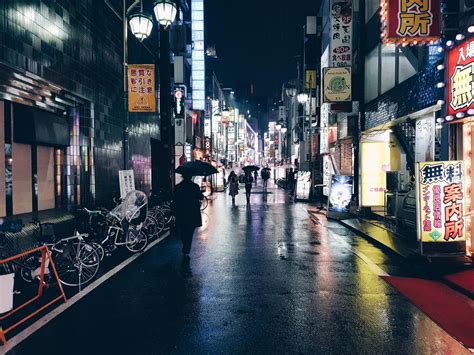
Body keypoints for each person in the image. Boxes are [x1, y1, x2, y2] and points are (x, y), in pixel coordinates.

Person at [172, 171, 204, 260]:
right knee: (189, 232)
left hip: (181, 212)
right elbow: (200, 197)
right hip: (192, 212)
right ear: (191, 177)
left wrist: (174, 212)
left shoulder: (178, 187)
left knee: (182, 231)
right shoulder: (195, 187)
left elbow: (175, 200)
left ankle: (185, 245)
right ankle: (186, 250)